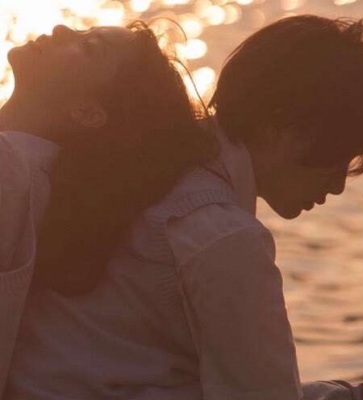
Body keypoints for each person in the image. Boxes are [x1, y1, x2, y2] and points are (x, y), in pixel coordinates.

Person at [0, 15, 363, 400]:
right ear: (281, 128)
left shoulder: (130, 160)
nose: (338, 184)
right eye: (338, 157)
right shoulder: (223, 237)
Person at [0, 22, 215, 398]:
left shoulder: (11, 171)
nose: (61, 27)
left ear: (87, 111)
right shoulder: (34, 173)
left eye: (89, 47)